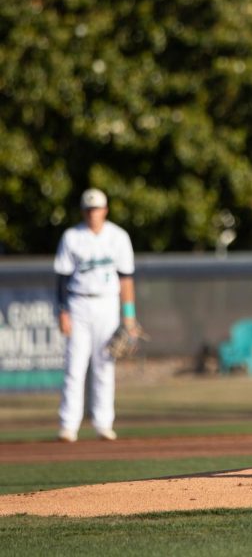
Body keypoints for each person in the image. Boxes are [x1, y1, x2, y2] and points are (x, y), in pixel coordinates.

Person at [53, 188, 137, 442]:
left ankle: (103, 423)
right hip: (78, 304)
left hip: (107, 304)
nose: (93, 213)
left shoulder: (118, 237)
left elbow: (126, 278)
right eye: (89, 209)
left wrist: (129, 316)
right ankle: (69, 425)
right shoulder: (71, 237)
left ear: (105, 210)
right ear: (83, 211)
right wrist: (62, 312)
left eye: (97, 208)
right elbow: (61, 278)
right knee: (75, 365)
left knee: (105, 364)